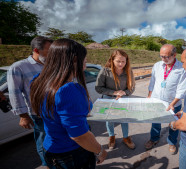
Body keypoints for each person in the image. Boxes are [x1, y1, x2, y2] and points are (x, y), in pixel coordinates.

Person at [30, 39, 107, 168]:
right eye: (85, 61)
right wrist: (100, 151)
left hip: (50, 148)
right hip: (71, 154)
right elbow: (79, 136)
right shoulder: (69, 90)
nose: (85, 66)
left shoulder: (38, 80)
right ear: (75, 59)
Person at [7, 36, 53, 167]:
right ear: (37, 50)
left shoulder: (50, 66)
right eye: (49, 50)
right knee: (44, 142)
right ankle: (47, 164)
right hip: (39, 114)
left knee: (57, 142)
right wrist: (23, 115)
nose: (52, 54)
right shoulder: (19, 67)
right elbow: (14, 92)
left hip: (56, 111)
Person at [145, 44, 186, 154]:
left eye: (166, 57)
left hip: (173, 102)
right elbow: (152, 82)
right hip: (157, 101)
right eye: (161, 56)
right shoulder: (157, 65)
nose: (163, 59)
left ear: (174, 55)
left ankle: (172, 142)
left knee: (174, 124)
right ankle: (154, 139)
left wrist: (173, 103)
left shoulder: (182, 68)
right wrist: (150, 95)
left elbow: (181, 88)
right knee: (155, 122)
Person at [95, 49, 136, 150]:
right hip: (108, 99)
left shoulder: (128, 71)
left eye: (123, 61)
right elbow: (98, 88)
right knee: (110, 120)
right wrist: (114, 93)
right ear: (112, 60)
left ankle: (126, 137)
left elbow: (132, 87)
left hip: (123, 99)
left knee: (124, 119)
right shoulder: (104, 71)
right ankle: (111, 136)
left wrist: (124, 92)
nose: (121, 64)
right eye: (118, 61)